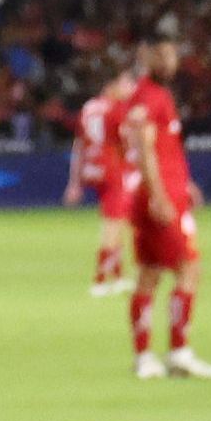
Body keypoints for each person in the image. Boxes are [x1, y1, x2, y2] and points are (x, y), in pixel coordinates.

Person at [120, 46, 211, 379]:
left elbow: (160, 148)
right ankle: (179, 351)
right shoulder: (152, 97)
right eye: (166, 56)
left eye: (174, 56)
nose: (172, 62)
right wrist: (160, 195)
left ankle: (144, 356)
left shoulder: (146, 96)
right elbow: (145, 148)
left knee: (149, 273)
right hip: (161, 198)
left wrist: (184, 183)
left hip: (157, 192)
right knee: (190, 268)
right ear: (152, 59)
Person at [72, 71, 136, 295]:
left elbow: (80, 142)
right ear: (112, 85)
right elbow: (125, 141)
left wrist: (75, 181)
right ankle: (99, 280)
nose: (130, 89)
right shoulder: (116, 109)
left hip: (93, 168)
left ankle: (118, 277)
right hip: (113, 170)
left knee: (115, 221)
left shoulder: (89, 107)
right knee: (114, 224)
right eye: (126, 83)